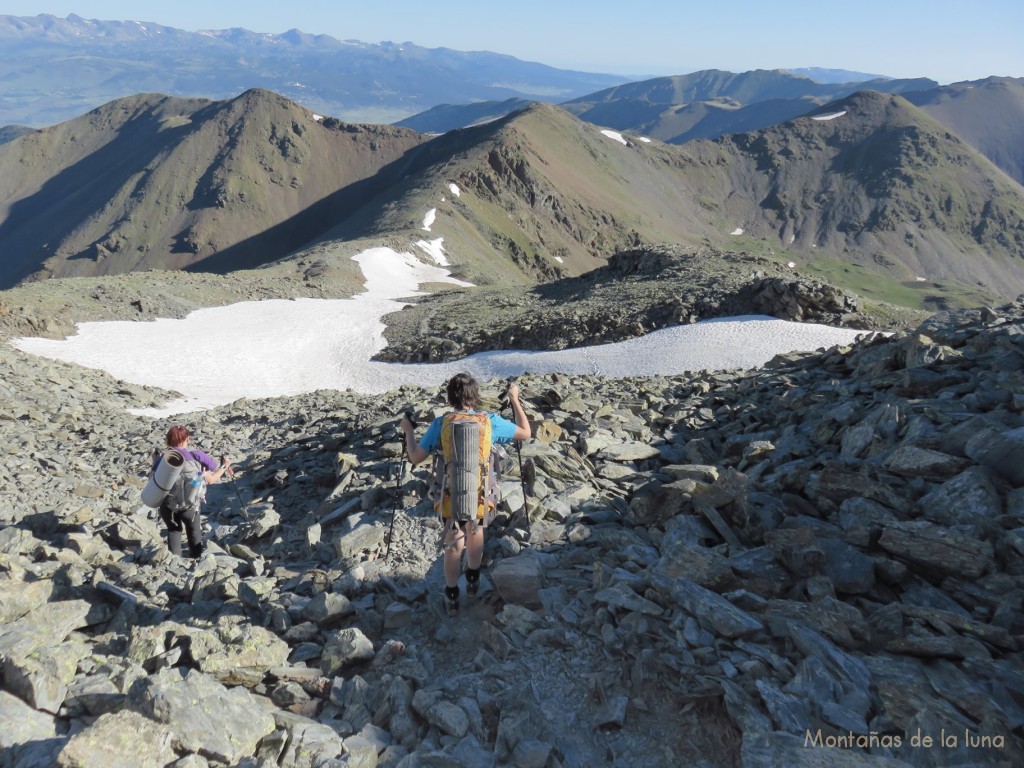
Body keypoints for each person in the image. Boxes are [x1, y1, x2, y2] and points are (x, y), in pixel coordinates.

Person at [401, 373, 530, 611]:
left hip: (450, 495)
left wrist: (408, 431)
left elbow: (416, 457)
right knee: (476, 528)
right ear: (475, 396)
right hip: (480, 494)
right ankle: (472, 575)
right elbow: (525, 432)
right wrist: (514, 399)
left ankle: (451, 594)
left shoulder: (441, 423)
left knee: (453, 539)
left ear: (451, 396)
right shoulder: (489, 420)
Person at [155, 425, 231, 559]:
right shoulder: (195, 454)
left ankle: (174, 562)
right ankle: (196, 559)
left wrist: (154, 459)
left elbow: (154, 475)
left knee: (174, 530)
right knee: (194, 530)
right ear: (187, 439)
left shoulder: (163, 457)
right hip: (189, 503)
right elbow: (212, 477)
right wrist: (225, 466)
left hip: (167, 505)